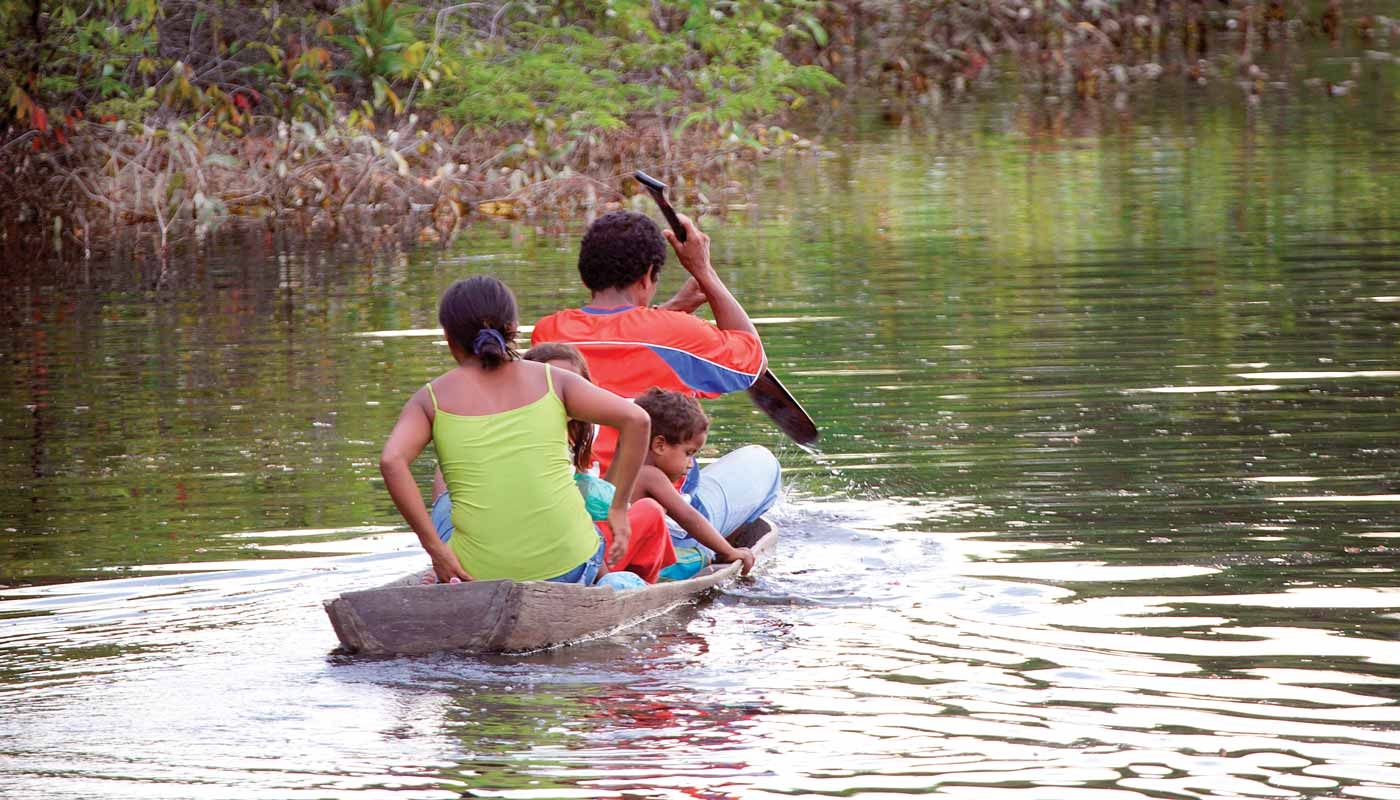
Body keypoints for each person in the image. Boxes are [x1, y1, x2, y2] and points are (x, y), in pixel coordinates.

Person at [379, 275, 650, 585]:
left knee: (445, 483)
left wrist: (436, 550)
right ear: (513, 327)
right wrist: (618, 508)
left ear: (449, 339)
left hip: (477, 576)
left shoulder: (430, 399)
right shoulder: (553, 379)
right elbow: (638, 420)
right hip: (573, 564)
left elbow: (391, 461)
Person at [531, 209, 782, 540]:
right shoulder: (679, 334)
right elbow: (752, 364)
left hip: (573, 510)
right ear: (648, 276)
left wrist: (673, 309)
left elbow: (621, 340)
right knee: (764, 463)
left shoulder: (549, 334)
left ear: (585, 277)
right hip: (658, 519)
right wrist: (704, 272)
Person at [521, 342, 676, 584]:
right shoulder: (539, 439)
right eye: (551, 385)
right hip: (562, 549)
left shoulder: (578, 432)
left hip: (578, 543)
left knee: (644, 511)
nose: (562, 394)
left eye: (571, 385)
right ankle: (635, 584)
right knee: (651, 512)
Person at [632, 388, 755, 579]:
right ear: (660, 445)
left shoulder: (626, 466)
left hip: (618, 556)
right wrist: (730, 551)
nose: (690, 464)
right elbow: (688, 516)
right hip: (633, 565)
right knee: (703, 557)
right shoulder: (651, 476)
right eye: (688, 453)